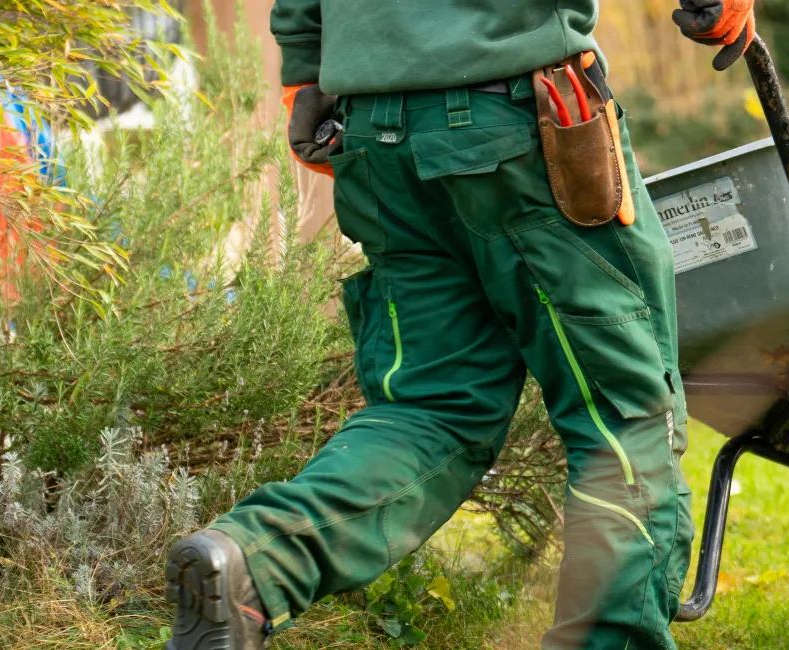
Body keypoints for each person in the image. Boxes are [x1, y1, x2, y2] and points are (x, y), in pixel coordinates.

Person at [162, 2, 758, 649]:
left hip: (374, 136)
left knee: (430, 409)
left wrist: (306, 79)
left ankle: (255, 563)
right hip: (522, 117)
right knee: (625, 412)